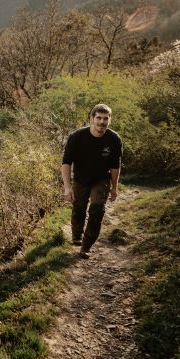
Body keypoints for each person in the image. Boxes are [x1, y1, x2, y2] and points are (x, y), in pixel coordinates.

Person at [61, 104, 122, 259]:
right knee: (79, 208)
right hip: (80, 179)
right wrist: (67, 187)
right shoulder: (77, 137)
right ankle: (76, 235)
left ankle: (86, 246)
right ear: (92, 119)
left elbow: (115, 166)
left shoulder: (114, 139)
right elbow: (66, 162)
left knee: (97, 211)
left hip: (101, 179)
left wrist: (114, 188)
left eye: (105, 118)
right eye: (99, 118)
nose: (102, 122)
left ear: (110, 120)